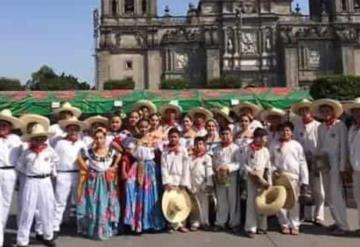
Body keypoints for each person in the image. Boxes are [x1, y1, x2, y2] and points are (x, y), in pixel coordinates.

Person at [16, 123, 59, 247]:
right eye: (36, 138)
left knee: (47, 209)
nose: (39, 141)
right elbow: (19, 166)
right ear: (31, 139)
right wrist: (28, 173)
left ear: (45, 138)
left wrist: (53, 171)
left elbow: (55, 161)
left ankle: (48, 236)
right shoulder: (26, 153)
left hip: (45, 181)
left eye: (41, 138)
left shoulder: (50, 151)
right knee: (27, 210)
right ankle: (22, 240)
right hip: (31, 182)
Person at [312, 99, 349, 235]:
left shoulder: (340, 125)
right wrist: (317, 162)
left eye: (328, 111)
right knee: (328, 194)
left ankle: (343, 225)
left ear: (333, 112)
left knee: (336, 194)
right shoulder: (320, 127)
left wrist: (343, 168)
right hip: (324, 163)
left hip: (336, 164)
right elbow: (319, 146)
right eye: (323, 111)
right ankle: (337, 220)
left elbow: (344, 147)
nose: (325, 113)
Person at [77, 127, 121, 240]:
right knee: (93, 204)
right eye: (96, 138)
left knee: (106, 204)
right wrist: (87, 168)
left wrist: (113, 166)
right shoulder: (90, 152)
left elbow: (119, 155)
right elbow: (80, 158)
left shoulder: (110, 151)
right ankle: (93, 229)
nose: (99, 140)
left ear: (105, 138)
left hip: (106, 181)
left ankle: (107, 228)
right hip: (94, 181)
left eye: (101, 138)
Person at [124, 119, 165, 233]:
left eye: (145, 127)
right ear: (137, 127)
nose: (143, 129)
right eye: (141, 126)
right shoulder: (132, 140)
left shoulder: (154, 140)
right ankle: (137, 222)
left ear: (149, 127)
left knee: (151, 194)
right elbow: (129, 152)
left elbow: (161, 152)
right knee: (135, 192)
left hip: (150, 168)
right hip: (137, 166)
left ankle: (151, 222)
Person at [271, 122, 309, 236]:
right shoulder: (274, 144)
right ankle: (284, 224)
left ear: (291, 132)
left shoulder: (296, 145)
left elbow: (302, 162)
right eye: (282, 130)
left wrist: (305, 180)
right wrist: (273, 170)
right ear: (278, 132)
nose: (285, 133)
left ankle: (295, 224)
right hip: (279, 176)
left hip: (293, 177)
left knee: (293, 202)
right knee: (281, 201)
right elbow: (270, 160)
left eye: (287, 130)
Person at [291, 99, 324, 225]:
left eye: (307, 110)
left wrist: (316, 158)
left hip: (315, 160)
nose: (305, 113)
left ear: (312, 112)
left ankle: (319, 215)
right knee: (304, 187)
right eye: (302, 110)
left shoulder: (317, 126)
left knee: (318, 189)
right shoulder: (297, 126)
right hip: (302, 161)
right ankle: (306, 214)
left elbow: (320, 144)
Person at [53, 117, 87, 236]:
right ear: (67, 131)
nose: (73, 132)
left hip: (78, 174)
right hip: (63, 173)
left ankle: (81, 225)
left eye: (76, 130)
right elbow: (54, 159)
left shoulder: (82, 144)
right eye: (71, 129)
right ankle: (55, 226)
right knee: (60, 201)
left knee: (79, 200)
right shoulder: (60, 143)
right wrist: (55, 173)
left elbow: (86, 159)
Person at [161, 128, 191, 233]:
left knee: (181, 201)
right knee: (170, 201)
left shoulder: (183, 150)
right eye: (171, 137)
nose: (173, 139)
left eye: (175, 137)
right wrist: (167, 182)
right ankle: (171, 224)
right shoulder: (165, 151)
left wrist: (184, 182)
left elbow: (186, 166)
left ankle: (182, 224)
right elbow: (163, 167)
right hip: (170, 178)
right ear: (168, 138)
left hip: (180, 178)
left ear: (179, 138)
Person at [243, 128, 271, 238]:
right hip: (251, 178)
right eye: (264, 137)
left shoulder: (265, 150)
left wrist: (268, 182)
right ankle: (250, 227)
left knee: (261, 202)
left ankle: (262, 226)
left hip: (262, 178)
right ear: (257, 138)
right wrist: (250, 172)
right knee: (251, 202)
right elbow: (243, 163)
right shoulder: (248, 149)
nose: (266, 140)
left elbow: (268, 167)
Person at [212, 127, 241, 232]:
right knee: (221, 199)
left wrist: (228, 167)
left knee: (233, 199)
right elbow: (214, 161)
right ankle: (220, 222)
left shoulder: (235, 148)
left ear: (231, 135)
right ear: (220, 136)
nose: (225, 136)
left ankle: (234, 222)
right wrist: (216, 169)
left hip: (231, 176)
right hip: (220, 176)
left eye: (227, 134)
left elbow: (239, 163)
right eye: (223, 134)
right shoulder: (216, 148)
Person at [0, 110, 22, 247]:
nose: (2, 127)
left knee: (6, 206)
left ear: (10, 126)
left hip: (10, 173)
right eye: (0, 124)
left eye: (5, 125)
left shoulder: (16, 140)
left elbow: (22, 158)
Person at [188, 136, 214, 231]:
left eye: (200, 144)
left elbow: (209, 170)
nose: (198, 146)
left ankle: (205, 222)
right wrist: (188, 185)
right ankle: (195, 222)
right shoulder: (190, 157)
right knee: (195, 204)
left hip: (203, 183)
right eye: (196, 144)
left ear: (205, 145)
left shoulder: (207, 157)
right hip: (193, 183)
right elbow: (188, 171)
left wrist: (209, 183)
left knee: (204, 203)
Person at [345, 97, 360, 232]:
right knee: (358, 199)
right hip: (356, 170)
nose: (357, 114)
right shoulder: (352, 129)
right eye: (355, 112)